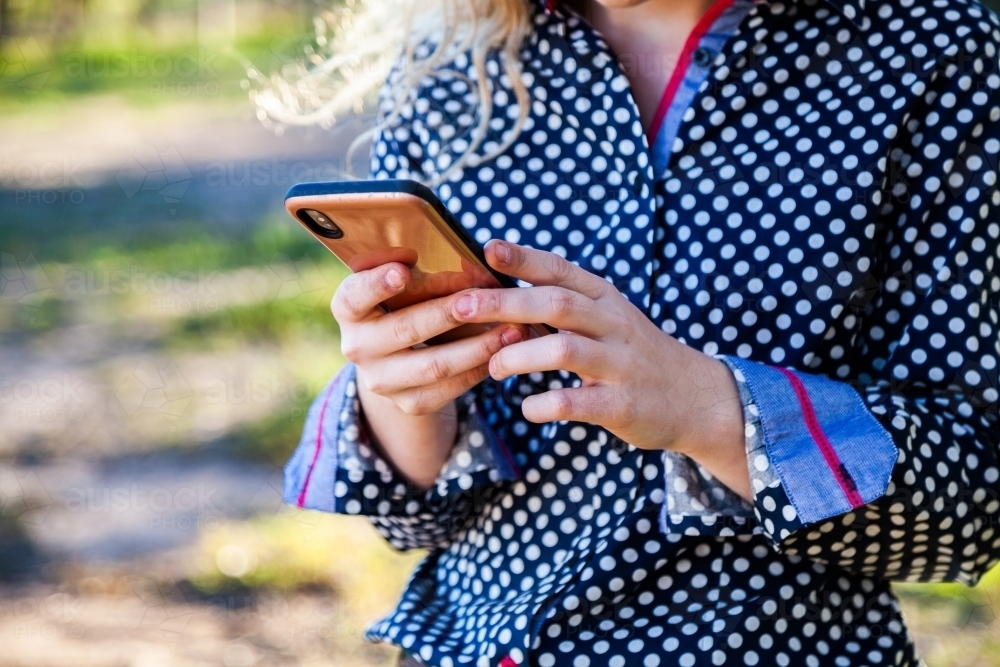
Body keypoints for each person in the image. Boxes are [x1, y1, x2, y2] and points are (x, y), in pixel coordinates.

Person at [276, 0, 1000, 662]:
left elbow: (973, 497)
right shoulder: (448, 66)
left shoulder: (931, 51)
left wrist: (709, 409)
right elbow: (417, 519)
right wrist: (399, 396)